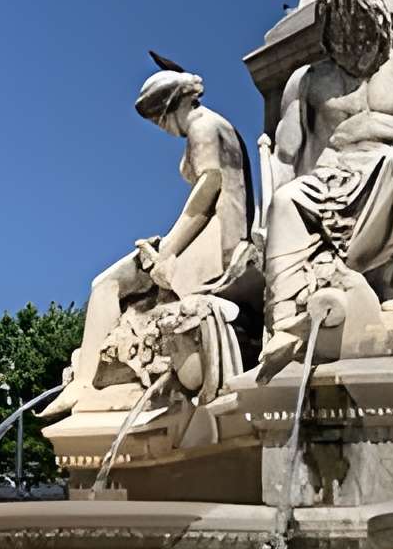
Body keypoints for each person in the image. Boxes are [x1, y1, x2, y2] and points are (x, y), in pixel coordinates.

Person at [258, 0, 393, 372]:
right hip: (332, 177)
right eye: (343, 39)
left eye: (361, 36)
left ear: (380, 27)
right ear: (328, 35)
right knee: (286, 200)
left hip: (390, 170)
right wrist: (266, 212)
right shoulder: (309, 80)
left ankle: (380, 285)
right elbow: (285, 157)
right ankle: (282, 323)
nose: (354, 48)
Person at [47, 65, 253, 416]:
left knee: (105, 284)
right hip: (215, 237)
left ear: (175, 103)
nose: (161, 126)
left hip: (211, 248)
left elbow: (209, 188)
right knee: (113, 282)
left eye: (159, 117)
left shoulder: (202, 126)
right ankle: (89, 378)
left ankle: (84, 384)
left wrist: (168, 250)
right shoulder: (217, 125)